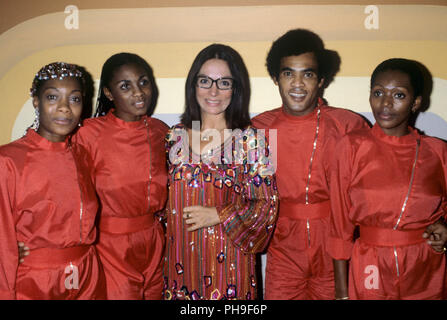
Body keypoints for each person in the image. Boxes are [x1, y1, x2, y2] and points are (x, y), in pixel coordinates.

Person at [251, 29, 370, 300]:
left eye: (307, 74)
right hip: (283, 249)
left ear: (321, 81)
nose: (297, 83)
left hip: (336, 246)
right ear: (275, 78)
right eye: (288, 73)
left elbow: (378, 185)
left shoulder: (348, 125)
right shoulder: (257, 129)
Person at [163, 44, 278, 300]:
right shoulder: (174, 137)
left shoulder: (251, 141)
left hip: (230, 270)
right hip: (179, 265)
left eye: (224, 82)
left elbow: (267, 206)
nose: (213, 91)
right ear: (193, 85)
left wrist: (218, 214)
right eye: (205, 81)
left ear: (235, 89)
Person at [327, 58, 447, 300]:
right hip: (371, 265)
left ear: (416, 103)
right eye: (378, 93)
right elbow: (339, 225)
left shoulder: (437, 152)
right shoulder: (351, 146)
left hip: (426, 268)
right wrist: (341, 292)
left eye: (399, 95)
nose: (386, 103)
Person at [0, 62, 105, 299]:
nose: (64, 108)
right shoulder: (7, 160)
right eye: (52, 97)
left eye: (74, 99)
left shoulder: (84, 156)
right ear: (36, 101)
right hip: (34, 281)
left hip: (86, 276)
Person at [72, 53, 168, 299]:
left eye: (143, 82)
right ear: (108, 93)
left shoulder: (161, 131)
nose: (139, 92)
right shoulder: (88, 134)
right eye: (126, 86)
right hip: (111, 247)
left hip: (155, 242)